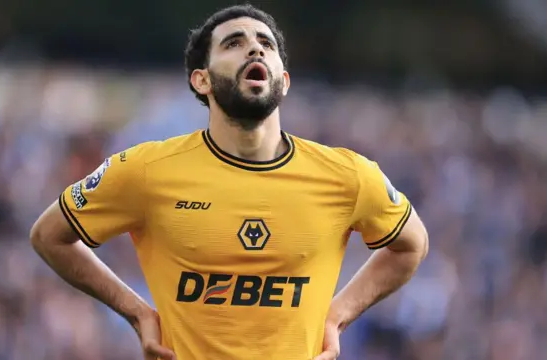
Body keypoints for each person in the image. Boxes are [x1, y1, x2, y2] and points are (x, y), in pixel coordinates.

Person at [30, 4, 429, 360]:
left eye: (265, 44)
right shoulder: (147, 170)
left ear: (284, 81)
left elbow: (412, 244)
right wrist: (137, 314)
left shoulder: (348, 176)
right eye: (234, 43)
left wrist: (339, 316)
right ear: (201, 80)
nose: (255, 49)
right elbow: (50, 235)